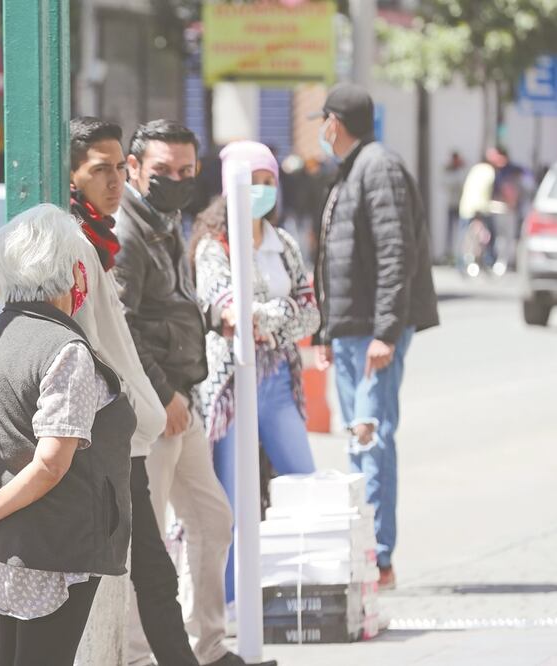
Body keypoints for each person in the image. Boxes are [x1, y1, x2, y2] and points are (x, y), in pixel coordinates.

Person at [0, 203, 134, 666]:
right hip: (54, 544)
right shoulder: (65, 350)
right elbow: (52, 461)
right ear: (74, 272)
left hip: (3, 541)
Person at [70, 117, 206, 666]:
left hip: (126, 426)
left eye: (114, 168)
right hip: (97, 431)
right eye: (98, 170)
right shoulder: (83, 244)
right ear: (72, 177)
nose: (113, 182)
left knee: (150, 565)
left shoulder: (108, 235)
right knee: (132, 568)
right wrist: (157, 398)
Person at [115, 119, 248, 666]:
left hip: (180, 402)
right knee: (146, 547)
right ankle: (140, 654)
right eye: (163, 171)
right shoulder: (128, 231)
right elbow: (122, 326)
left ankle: (208, 645)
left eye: (186, 172)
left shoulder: (165, 221)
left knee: (212, 518)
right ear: (134, 169)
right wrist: (163, 394)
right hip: (155, 408)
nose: (176, 180)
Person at [312, 84, 439, 590]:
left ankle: (378, 556)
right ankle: (365, 547)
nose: (321, 131)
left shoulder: (378, 168)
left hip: (372, 333)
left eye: (322, 121)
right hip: (351, 329)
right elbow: (336, 262)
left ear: (334, 123)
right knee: (359, 440)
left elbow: (395, 254)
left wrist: (385, 332)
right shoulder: (353, 169)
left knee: (371, 435)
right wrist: (326, 328)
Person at [190, 141, 321, 612]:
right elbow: (228, 309)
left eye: (269, 183)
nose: (262, 192)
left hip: (278, 385)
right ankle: (225, 603)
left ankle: (309, 589)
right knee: (229, 499)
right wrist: (274, 317)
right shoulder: (213, 246)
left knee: (304, 482)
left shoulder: (282, 243)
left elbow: (310, 313)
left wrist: (268, 317)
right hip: (229, 391)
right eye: (253, 183)